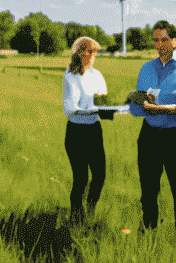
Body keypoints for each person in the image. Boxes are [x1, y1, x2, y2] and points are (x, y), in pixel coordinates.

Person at [126, 20, 176, 238]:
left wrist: (172, 109)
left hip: (174, 136)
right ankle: (149, 233)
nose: (160, 45)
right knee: (148, 190)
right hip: (148, 135)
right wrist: (137, 105)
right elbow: (138, 107)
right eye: (156, 40)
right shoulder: (146, 68)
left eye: (165, 40)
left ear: (175, 39)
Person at [61, 36, 108, 219]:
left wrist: (115, 107)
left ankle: (90, 211)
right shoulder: (70, 77)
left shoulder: (96, 75)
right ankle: (75, 216)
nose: (94, 56)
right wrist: (92, 110)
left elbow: (102, 100)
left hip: (94, 130)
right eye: (90, 52)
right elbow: (70, 109)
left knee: (100, 175)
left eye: (95, 52)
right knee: (81, 178)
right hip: (77, 133)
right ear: (80, 53)